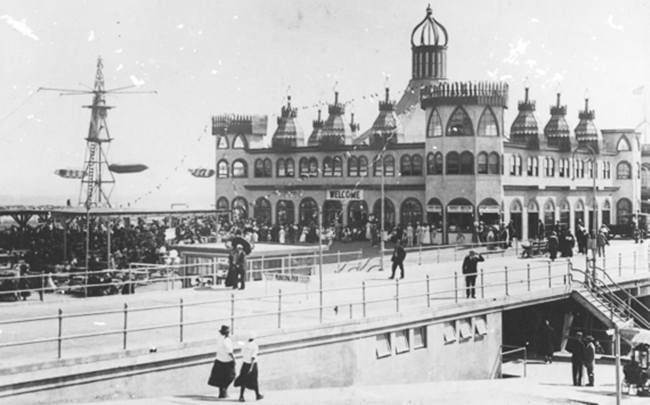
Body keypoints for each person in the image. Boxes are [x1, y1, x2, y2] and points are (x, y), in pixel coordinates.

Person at [208, 325, 236, 398]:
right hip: (227, 361)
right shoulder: (227, 340)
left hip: (219, 360)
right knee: (231, 376)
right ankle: (224, 389)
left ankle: (222, 392)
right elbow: (229, 352)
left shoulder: (219, 338)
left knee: (220, 378)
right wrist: (234, 360)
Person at [235, 332, 264, 402]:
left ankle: (241, 396)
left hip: (245, 363)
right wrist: (251, 367)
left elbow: (242, 354)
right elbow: (253, 357)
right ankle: (257, 395)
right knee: (254, 379)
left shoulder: (244, 345)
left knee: (243, 380)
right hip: (252, 365)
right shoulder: (254, 346)